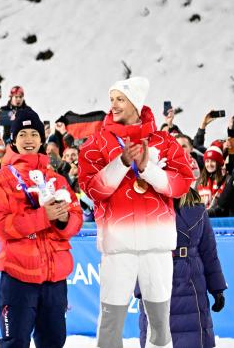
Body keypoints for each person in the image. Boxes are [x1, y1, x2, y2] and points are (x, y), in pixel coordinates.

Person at [78, 77, 194, 348]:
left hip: (157, 246)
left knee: (161, 325)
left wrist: (148, 169)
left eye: (120, 99)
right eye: (112, 99)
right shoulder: (97, 143)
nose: (114, 105)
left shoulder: (164, 142)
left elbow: (181, 184)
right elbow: (93, 189)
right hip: (118, 247)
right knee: (111, 325)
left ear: (136, 103)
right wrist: (122, 163)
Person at [0, 108, 83, 348]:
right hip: (18, 277)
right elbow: (1, 225)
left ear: (42, 138)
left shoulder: (57, 179)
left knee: (54, 342)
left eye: (34, 134)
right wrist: (43, 216)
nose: (29, 140)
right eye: (22, 134)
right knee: (15, 343)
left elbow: (76, 219)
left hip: (54, 279)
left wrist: (61, 219)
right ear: (13, 140)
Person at [136, 189, 227, 348]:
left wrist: (217, 288)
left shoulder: (197, 208)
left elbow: (209, 251)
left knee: (192, 338)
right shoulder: (146, 206)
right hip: (157, 277)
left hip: (191, 281)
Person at [195, 145, 226, 211]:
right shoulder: (199, 180)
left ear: (219, 163)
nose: (209, 164)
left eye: (213, 161)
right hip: (202, 216)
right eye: (207, 161)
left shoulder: (226, 178)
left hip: (220, 218)